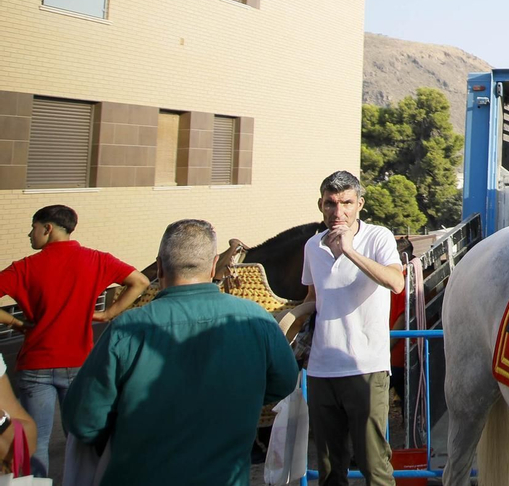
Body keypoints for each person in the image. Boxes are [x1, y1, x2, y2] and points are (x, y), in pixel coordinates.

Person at [61, 219, 299, 486]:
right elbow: (285, 382)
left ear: (160, 267)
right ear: (213, 266)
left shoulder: (125, 329)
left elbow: (82, 421)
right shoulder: (257, 319)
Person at [0, 204, 149, 478]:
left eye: (33, 228)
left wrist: (16, 323)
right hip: (79, 363)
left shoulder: (24, 267)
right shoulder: (96, 259)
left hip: (36, 364)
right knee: (79, 439)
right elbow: (139, 281)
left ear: (47, 228)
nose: (29, 235)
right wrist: (108, 314)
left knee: (37, 440)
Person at [298, 171, 405, 486]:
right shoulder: (312, 246)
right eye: (331, 203)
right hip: (320, 370)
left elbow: (396, 282)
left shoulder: (377, 237)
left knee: (375, 466)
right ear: (321, 205)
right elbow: (312, 299)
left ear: (359, 204)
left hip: (366, 368)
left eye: (346, 202)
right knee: (330, 470)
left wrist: (350, 251)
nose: (338, 211)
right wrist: (287, 324)